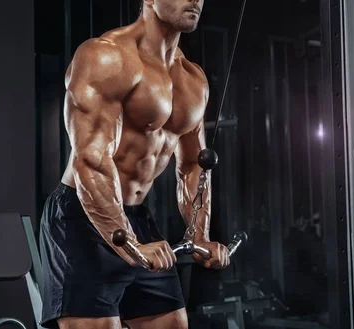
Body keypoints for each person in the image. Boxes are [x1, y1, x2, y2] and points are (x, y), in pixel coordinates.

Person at [38, 0, 231, 328]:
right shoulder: (105, 57)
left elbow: (193, 165)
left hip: (137, 218)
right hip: (81, 218)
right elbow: (92, 160)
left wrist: (199, 234)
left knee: (172, 324)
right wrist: (131, 245)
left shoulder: (193, 80)